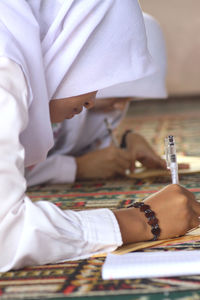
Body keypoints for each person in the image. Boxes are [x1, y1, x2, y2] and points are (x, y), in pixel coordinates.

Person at [0, 0, 200, 272]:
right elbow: (6, 235)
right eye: (97, 75)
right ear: (73, 45)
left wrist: (124, 140)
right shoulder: (4, 71)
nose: (94, 100)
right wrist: (142, 221)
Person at [26, 12, 167, 186]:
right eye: (117, 98)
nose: (120, 107)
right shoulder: (21, 99)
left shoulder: (89, 107)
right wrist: (76, 168)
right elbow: (10, 169)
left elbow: (77, 144)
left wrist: (125, 142)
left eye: (129, 99)